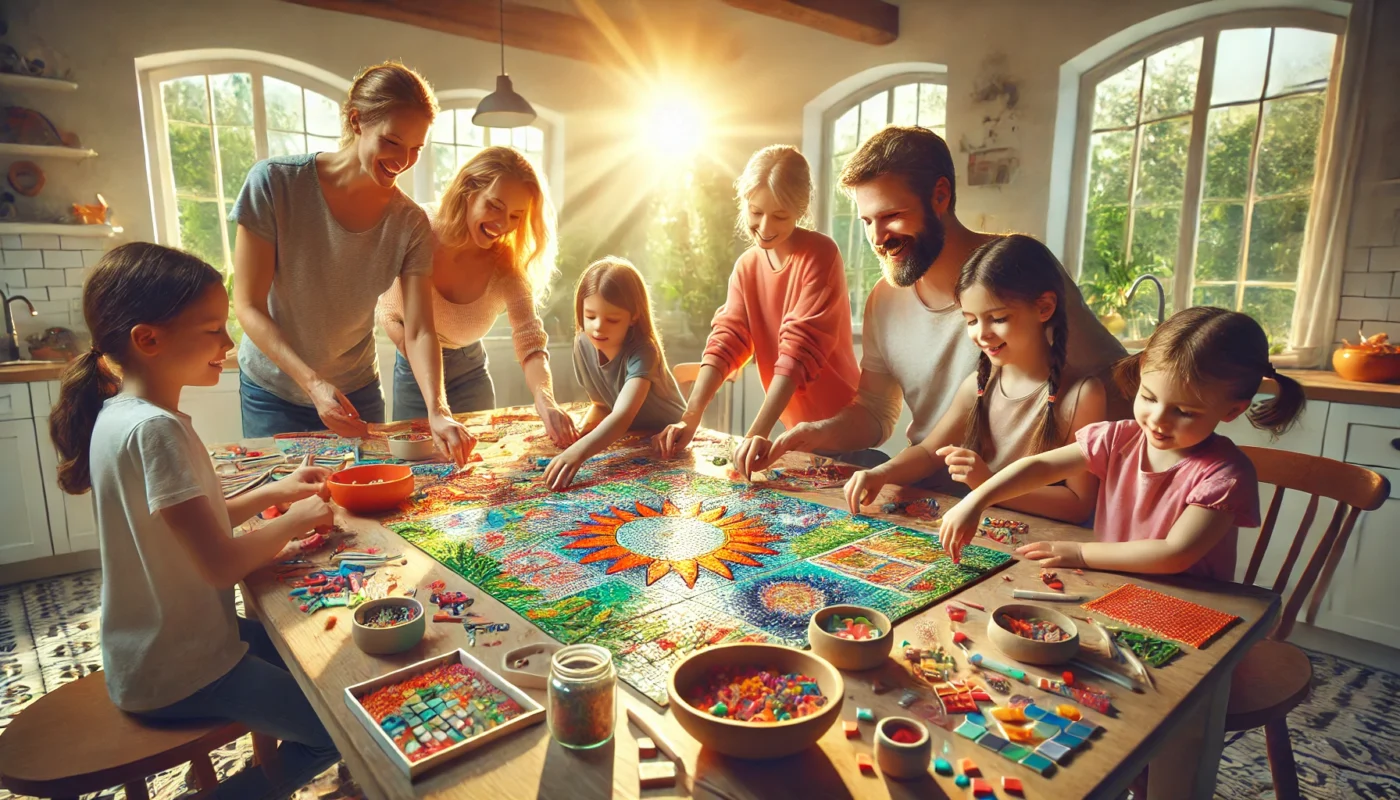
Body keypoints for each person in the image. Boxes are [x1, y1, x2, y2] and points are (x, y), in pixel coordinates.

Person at [49, 243, 341, 799]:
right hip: (183, 670)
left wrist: (273, 493)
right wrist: (295, 519)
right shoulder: (156, 431)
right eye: (212, 329)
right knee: (336, 730)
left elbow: (189, 527)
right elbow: (217, 564)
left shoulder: (121, 414)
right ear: (148, 339)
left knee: (307, 651)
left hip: (152, 653)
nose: (229, 345)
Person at [755, 126, 1125, 481]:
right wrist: (812, 434)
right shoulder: (883, 301)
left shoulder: (1019, 269)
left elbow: (1119, 385)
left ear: (940, 196)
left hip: (1021, 500)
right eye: (867, 221)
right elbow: (875, 413)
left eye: (891, 216)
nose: (878, 238)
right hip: (927, 488)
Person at [940, 307, 1305, 580]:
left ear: (1232, 410)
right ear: (1142, 371)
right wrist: (978, 498)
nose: (1158, 420)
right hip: (1111, 582)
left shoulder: (1225, 477)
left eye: (1184, 412)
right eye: (1148, 396)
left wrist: (1082, 552)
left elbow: (1174, 554)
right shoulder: (1121, 437)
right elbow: (1042, 466)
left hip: (1187, 606)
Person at [231, 61, 471, 462]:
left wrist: (437, 410)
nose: (403, 160)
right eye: (392, 142)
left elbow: (420, 330)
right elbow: (248, 306)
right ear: (357, 121)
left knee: (366, 502)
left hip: (355, 392)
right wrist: (312, 383)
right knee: (288, 511)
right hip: (272, 389)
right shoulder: (274, 183)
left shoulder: (409, 222)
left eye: (415, 149)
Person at [844, 235, 1106, 522]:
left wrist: (988, 483)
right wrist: (881, 473)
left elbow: (1078, 503)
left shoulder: (1083, 396)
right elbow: (929, 453)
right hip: (979, 533)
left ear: (1044, 308)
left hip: (1039, 543)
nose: (981, 334)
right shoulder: (979, 386)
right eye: (971, 320)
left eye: (998, 318)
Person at [653, 145, 859, 476]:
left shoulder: (821, 254)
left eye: (780, 216)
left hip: (844, 430)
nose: (764, 226)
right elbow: (726, 341)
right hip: (793, 429)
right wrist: (688, 420)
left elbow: (798, 351)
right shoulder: (747, 266)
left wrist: (755, 433)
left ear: (800, 210)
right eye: (755, 212)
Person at [376, 146, 577, 446]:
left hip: (470, 370)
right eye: (495, 205)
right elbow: (388, 314)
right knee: (421, 464)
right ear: (468, 190)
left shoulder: (506, 266)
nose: (503, 224)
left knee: (481, 464)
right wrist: (433, 398)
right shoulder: (415, 228)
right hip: (414, 368)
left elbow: (531, 341)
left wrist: (545, 400)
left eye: (516, 216)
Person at [543, 257, 686, 490]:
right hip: (632, 438)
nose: (598, 327)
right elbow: (601, 404)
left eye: (612, 319)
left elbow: (622, 416)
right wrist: (580, 433)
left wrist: (577, 452)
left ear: (634, 317)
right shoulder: (583, 343)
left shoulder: (644, 351)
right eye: (590, 316)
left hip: (668, 439)